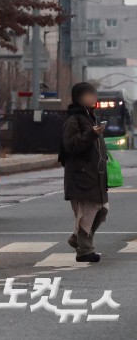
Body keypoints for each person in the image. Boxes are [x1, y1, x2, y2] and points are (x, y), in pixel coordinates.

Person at [61, 82, 109, 263]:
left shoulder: (91, 117)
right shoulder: (74, 119)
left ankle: (76, 238)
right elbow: (71, 145)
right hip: (81, 175)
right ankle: (84, 250)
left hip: (95, 175)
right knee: (87, 213)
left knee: (102, 210)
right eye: (88, 95)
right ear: (79, 98)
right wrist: (91, 134)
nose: (92, 98)